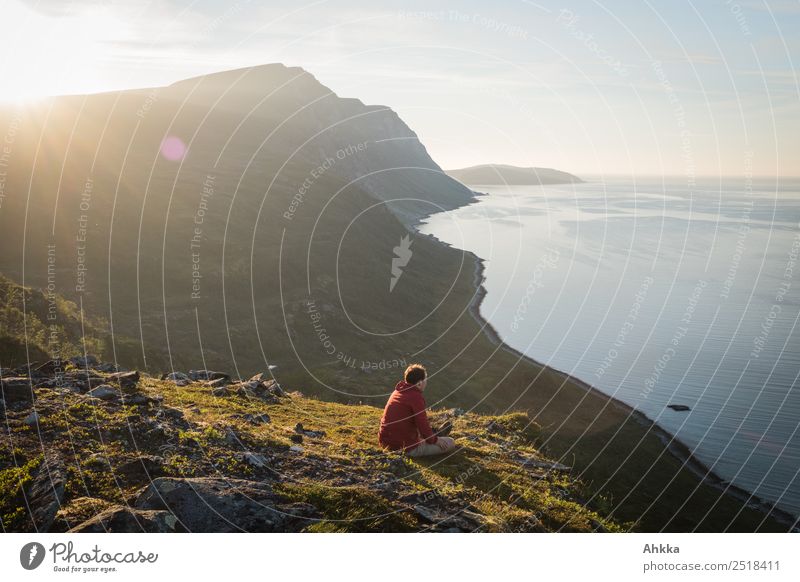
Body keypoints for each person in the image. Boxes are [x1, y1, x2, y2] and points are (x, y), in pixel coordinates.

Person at [378, 364, 456, 457]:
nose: (426, 382)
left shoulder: (398, 391)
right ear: (419, 383)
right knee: (450, 442)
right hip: (403, 447)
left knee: (423, 432)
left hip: (385, 441)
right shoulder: (416, 397)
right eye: (425, 379)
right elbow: (422, 424)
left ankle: (433, 434)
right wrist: (435, 441)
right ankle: (435, 435)